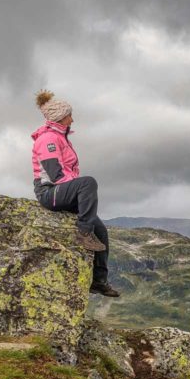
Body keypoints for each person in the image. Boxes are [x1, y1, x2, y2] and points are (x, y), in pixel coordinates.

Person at [31, 90, 120, 297]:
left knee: (102, 232)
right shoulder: (48, 140)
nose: (73, 118)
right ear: (60, 118)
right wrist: (77, 190)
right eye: (69, 115)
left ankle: (98, 282)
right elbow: (55, 174)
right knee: (88, 183)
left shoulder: (60, 136)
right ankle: (83, 234)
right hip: (49, 192)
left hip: (62, 190)